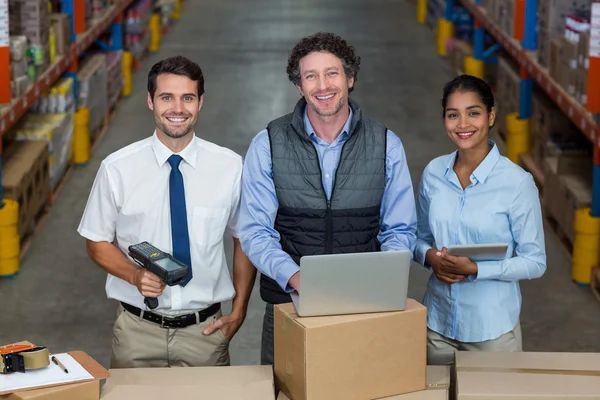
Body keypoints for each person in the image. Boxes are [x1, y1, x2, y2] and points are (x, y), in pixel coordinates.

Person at [239, 32, 418, 366]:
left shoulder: (385, 145)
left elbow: (400, 229)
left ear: (350, 79)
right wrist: (296, 278)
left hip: (364, 307)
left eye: (332, 73)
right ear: (299, 86)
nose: (322, 85)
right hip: (289, 307)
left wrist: (379, 280)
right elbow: (254, 231)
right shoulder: (268, 145)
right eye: (311, 76)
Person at [78, 56, 256, 368]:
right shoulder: (117, 169)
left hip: (205, 332)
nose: (177, 108)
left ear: (200, 102)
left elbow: (245, 239)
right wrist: (134, 275)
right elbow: (96, 241)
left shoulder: (230, 167)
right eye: (166, 97)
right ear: (150, 101)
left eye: (187, 98)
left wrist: (239, 307)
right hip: (137, 332)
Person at [413, 74, 546, 365]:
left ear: (491, 116)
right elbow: (418, 237)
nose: (463, 124)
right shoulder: (434, 173)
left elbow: (535, 262)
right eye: (453, 115)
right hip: (437, 326)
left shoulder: (516, 183)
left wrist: (476, 269)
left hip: (492, 332)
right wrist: (430, 257)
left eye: (473, 113)